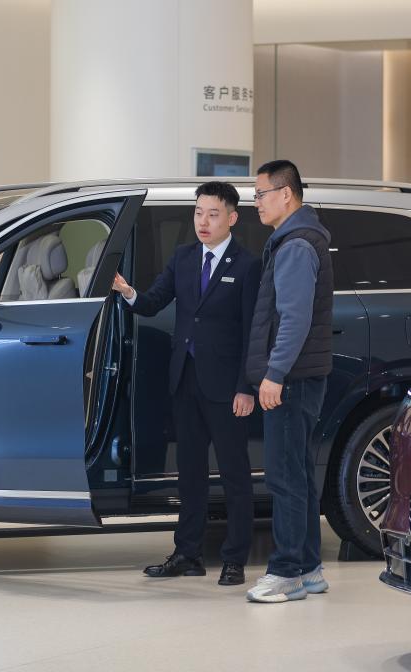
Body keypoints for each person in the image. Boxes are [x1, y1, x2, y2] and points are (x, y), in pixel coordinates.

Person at [113, 181, 261, 586]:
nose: (203, 222)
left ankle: (235, 559)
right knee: (190, 474)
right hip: (185, 380)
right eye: (198, 213)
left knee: (234, 475)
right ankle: (187, 554)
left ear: (232, 218)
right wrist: (127, 291)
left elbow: (253, 332)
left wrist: (246, 387)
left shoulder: (247, 266)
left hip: (227, 387)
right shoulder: (183, 257)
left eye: (213, 214)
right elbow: (153, 302)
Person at [244, 160, 333, 603]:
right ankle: (311, 569)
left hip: (292, 378)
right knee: (298, 474)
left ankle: (286, 572)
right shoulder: (297, 239)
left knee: (283, 477)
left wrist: (274, 374)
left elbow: (293, 319)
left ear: (286, 194)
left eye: (261, 194)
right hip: (302, 377)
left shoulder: (296, 245)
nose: (256, 202)